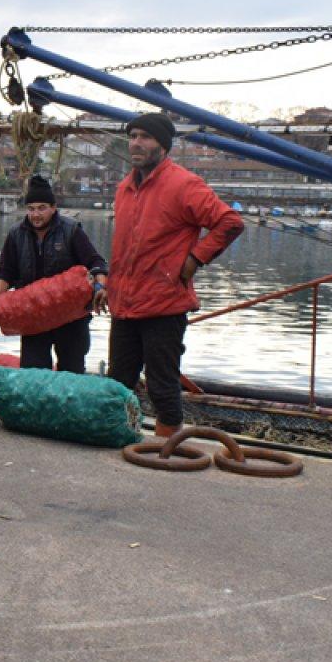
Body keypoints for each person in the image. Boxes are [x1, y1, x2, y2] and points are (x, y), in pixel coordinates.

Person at [102, 112, 244, 437]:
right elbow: (126, 247)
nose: (136, 143)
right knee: (118, 382)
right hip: (124, 304)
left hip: (164, 305)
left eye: (145, 137)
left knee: (162, 385)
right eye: (133, 135)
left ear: (163, 147)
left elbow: (229, 222)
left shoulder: (184, 184)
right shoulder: (125, 187)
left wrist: (195, 259)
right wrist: (108, 284)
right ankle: (116, 440)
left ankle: (167, 455)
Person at [0, 174, 108, 374]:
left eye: (41, 208)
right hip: (33, 317)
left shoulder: (71, 230)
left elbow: (96, 262)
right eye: (31, 209)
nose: (36, 214)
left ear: (53, 207)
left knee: (72, 373)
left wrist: (101, 286)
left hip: (71, 317)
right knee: (34, 374)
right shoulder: (16, 234)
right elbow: (5, 272)